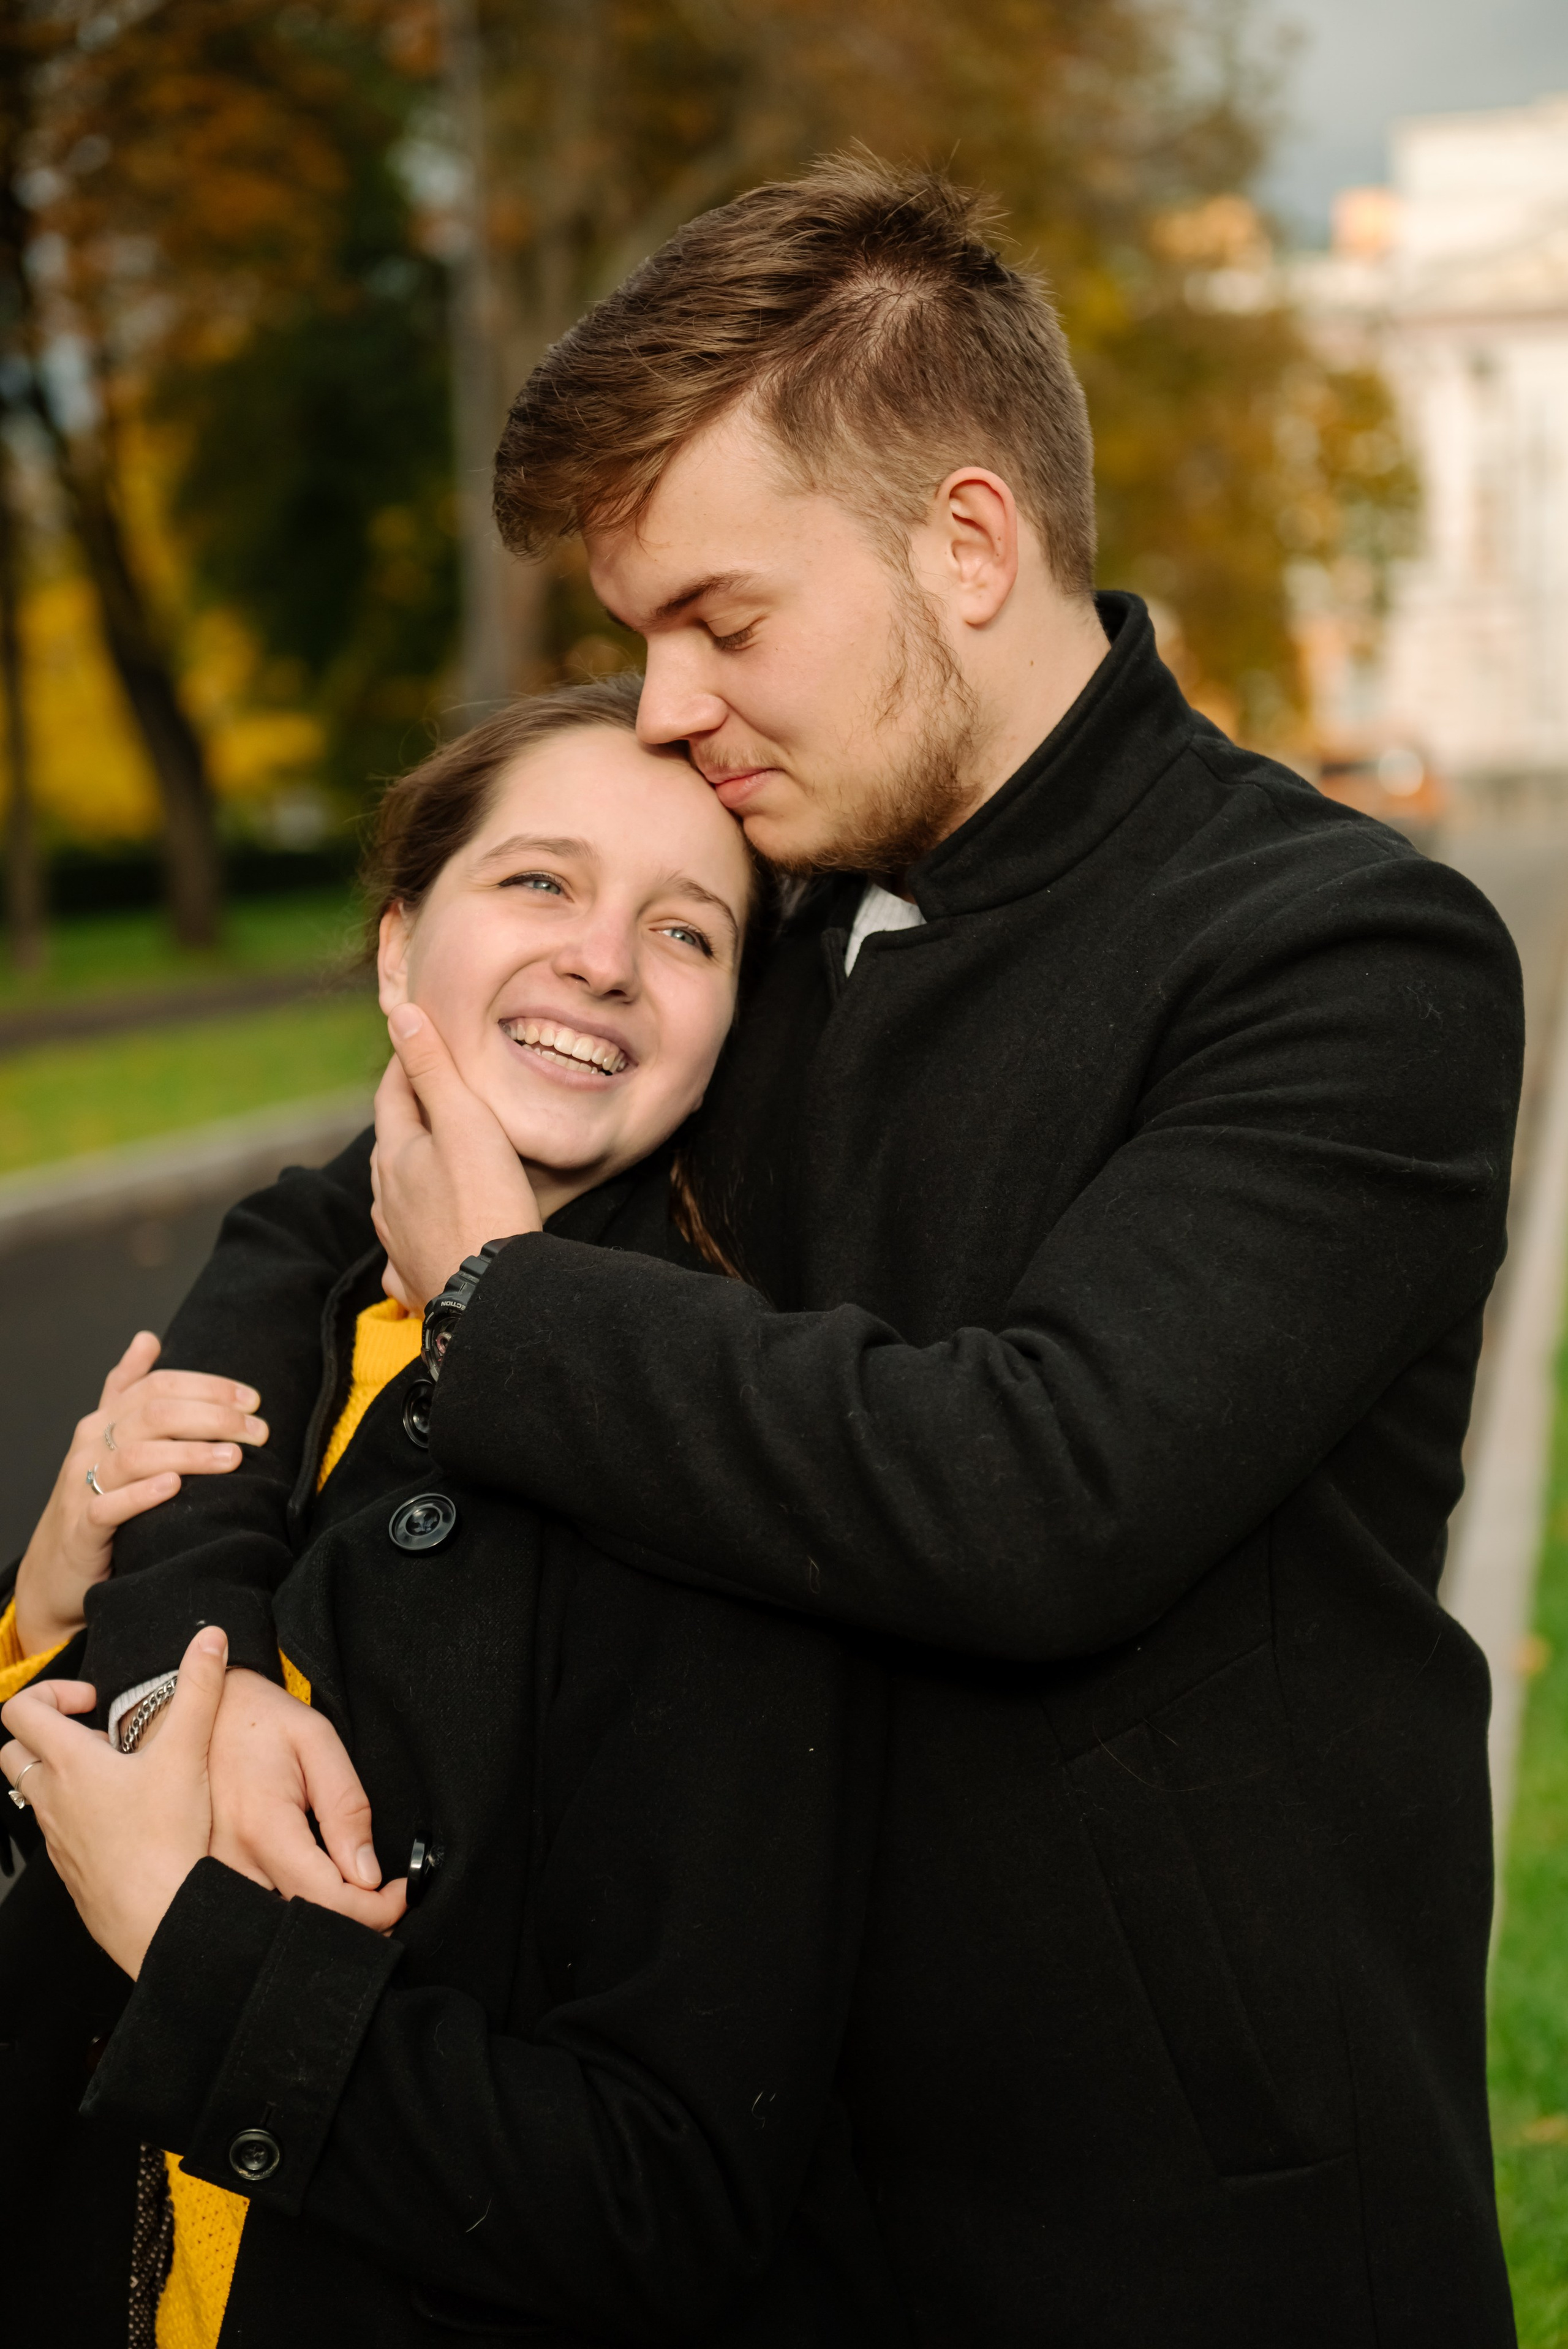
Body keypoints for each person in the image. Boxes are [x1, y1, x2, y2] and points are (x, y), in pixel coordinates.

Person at [48, 157, 1523, 2344]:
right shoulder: (760, 909)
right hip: (733, 2207)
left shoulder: (1340, 954)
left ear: (966, 544)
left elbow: (1045, 1488)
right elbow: (342, 1192)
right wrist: (207, 1651)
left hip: (1176, 2224)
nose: (663, 709)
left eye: (720, 623)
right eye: (644, 639)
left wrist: (494, 1308)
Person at [0, 676, 905, 2349]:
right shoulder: (291, 1292)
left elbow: (666, 2193)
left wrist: (192, 1947)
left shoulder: (715, 1462)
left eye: (689, 932)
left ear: (734, 1029)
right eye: (541, 880)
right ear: (401, 941)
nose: (605, 959)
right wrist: (58, 1622)